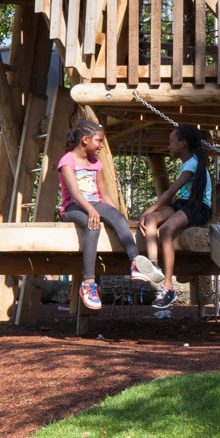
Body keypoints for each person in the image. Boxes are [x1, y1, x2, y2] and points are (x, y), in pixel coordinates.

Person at [56, 119, 163, 312]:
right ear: (85, 140)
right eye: (99, 141)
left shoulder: (95, 163)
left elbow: (103, 193)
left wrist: (119, 215)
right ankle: (88, 282)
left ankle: (135, 263)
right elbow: (74, 192)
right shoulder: (67, 161)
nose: (101, 145)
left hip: (94, 204)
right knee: (93, 225)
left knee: (117, 217)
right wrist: (90, 210)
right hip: (73, 206)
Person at [138, 124, 214, 311]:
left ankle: (168, 287)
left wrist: (147, 210)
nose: (169, 146)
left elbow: (169, 193)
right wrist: (148, 215)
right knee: (151, 221)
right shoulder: (187, 162)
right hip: (185, 203)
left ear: (183, 143)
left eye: (171, 142)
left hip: (199, 207)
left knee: (165, 229)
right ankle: (154, 265)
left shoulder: (193, 164)